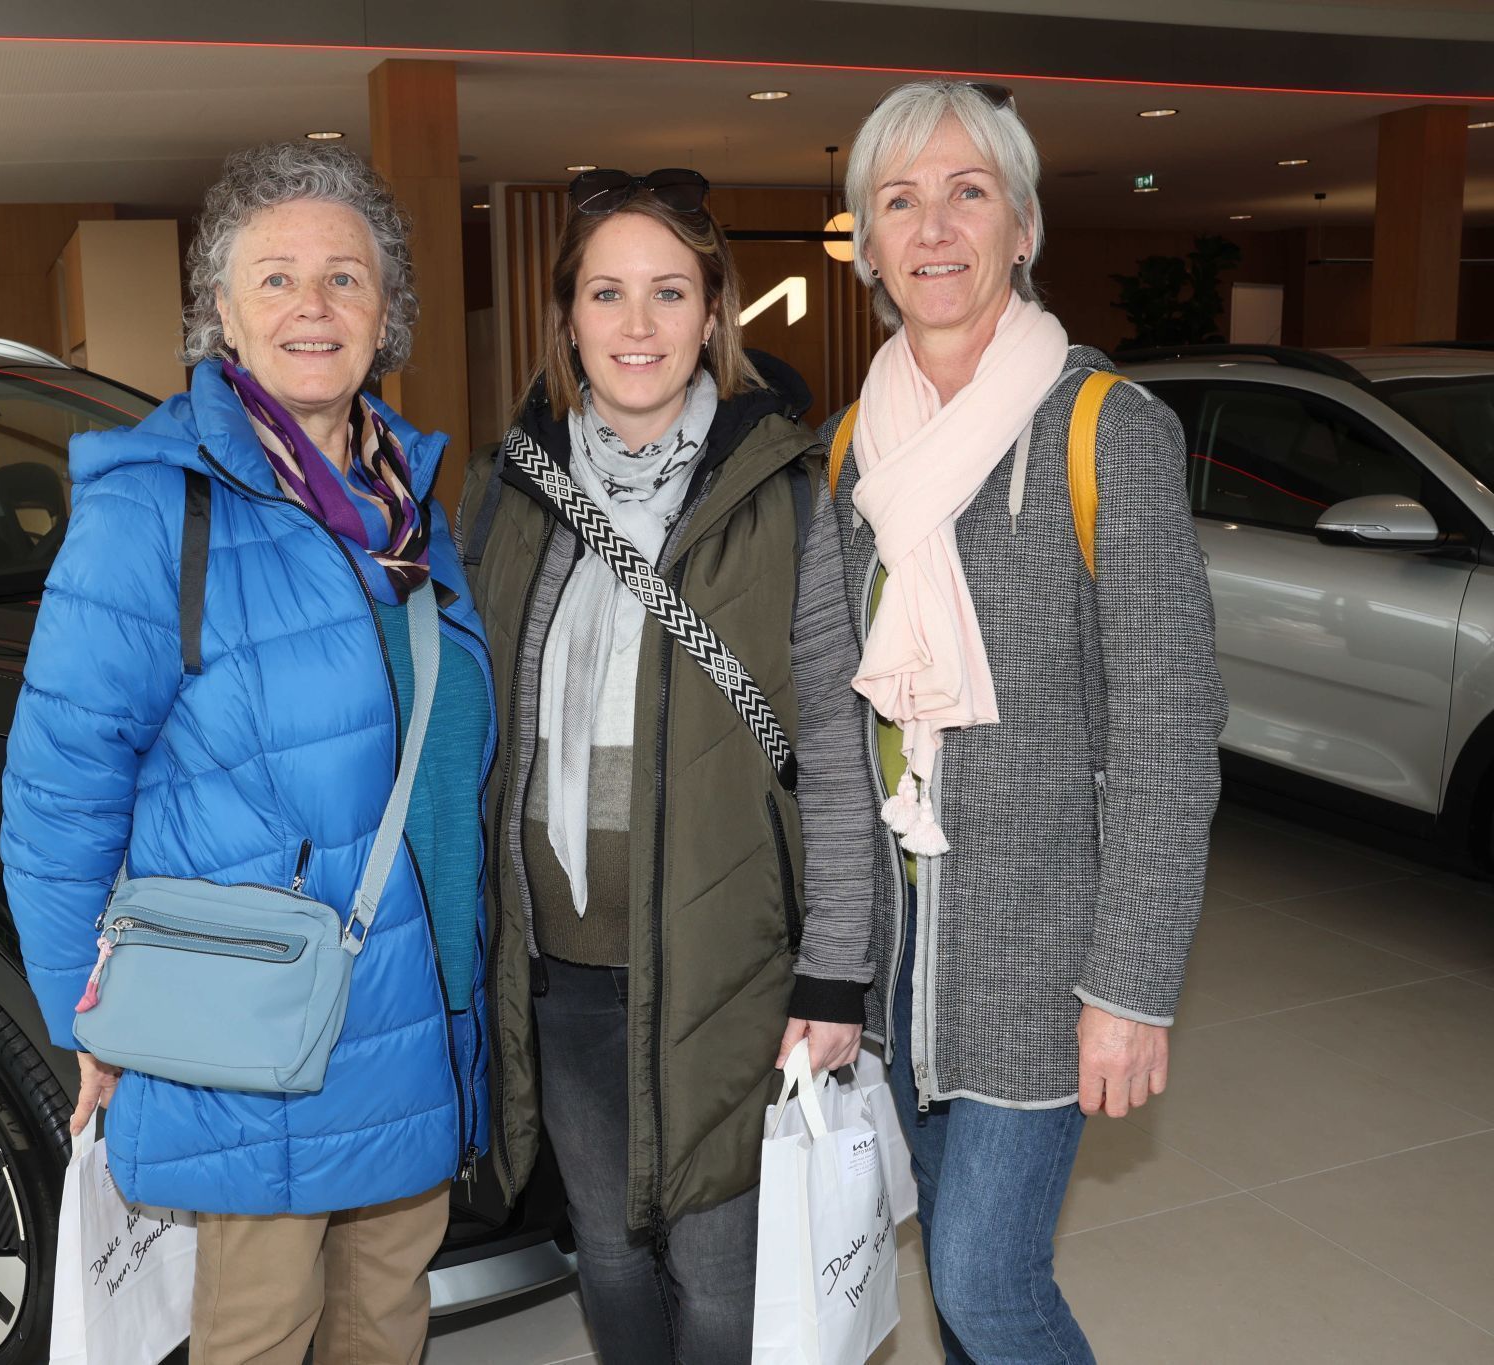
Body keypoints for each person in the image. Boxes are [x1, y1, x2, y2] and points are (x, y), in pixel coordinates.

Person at [0, 140, 495, 1365]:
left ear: (386, 312)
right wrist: (87, 1013)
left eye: (343, 278)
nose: (311, 306)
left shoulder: (411, 507)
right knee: (262, 1329)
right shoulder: (153, 509)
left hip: (415, 999)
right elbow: (58, 791)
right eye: (274, 279)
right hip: (256, 1022)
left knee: (386, 1317)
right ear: (220, 313)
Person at [820, 79, 1226, 1362]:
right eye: (899, 201)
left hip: (1040, 956)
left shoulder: (1106, 431)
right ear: (867, 245)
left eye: (967, 193)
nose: (934, 228)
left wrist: (1129, 990)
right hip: (893, 963)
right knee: (949, 1274)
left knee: (985, 1283)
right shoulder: (852, 451)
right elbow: (838, 731)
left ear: (1023, 227)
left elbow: (1165, 738)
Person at [458, 168, 879, 1363]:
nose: (635, 325)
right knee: (602, 1247)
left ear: (712, 315)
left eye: (667, 293)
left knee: (719, 1276)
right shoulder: (505, 492)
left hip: (728, 956)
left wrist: (834, 974)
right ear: (567, 319)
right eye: (605, 293)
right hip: (558, 960)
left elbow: (833, 752)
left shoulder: (786, 499)